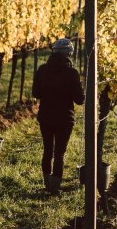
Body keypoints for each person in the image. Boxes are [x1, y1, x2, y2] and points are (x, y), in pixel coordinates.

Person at [32, 38, 85, 195]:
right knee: (59, 153)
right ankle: (55, 187)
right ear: (69, 54)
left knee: (47, 150)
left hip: (46, 117)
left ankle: (47, 183)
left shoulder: (42, 70)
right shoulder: (72, 73)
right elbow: (80, 100)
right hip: (65, 119)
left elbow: (36, 93)